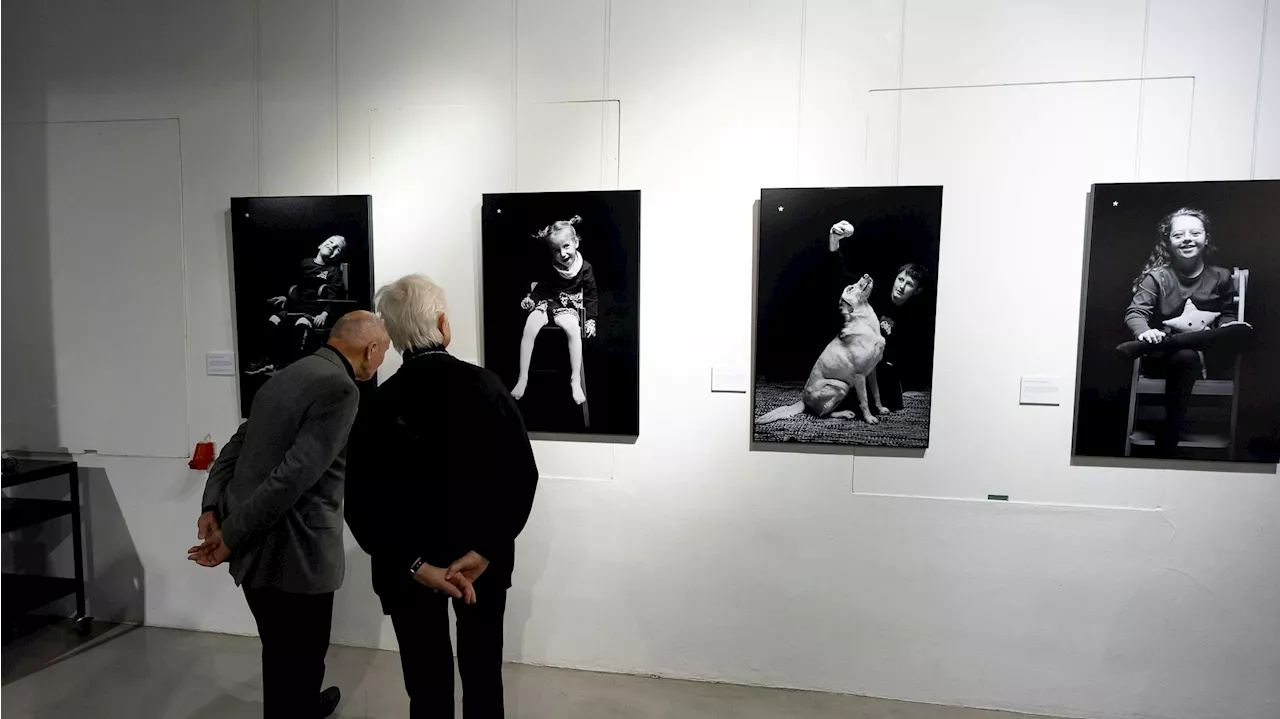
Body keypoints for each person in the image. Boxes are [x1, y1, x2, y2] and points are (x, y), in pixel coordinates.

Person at [345, 274, 539, 719]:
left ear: (391, 336)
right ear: (443, 323)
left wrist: (418, 566)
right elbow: (521, 479)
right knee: (483, 676)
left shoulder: (377, 405)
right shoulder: (487, 388)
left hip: (407, 571)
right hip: (480, 569)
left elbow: (361, 504)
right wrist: (486, 551)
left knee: (427, 685)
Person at [189, 310, 389, 719]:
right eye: (384, 352)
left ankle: (303, 705)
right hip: (296, 554)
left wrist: (212, 505)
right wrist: (230, 536)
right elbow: (291, 479)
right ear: (371, 350)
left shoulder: (284, 376)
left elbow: (233, 448)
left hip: (257, 553)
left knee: (282, 654)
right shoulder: (341, 389)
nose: (382, 360)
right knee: (299, 659)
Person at [1119, 207, 1252, 456]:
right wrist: (1144, 333)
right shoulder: (1157, 278)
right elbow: (1136, 313)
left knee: (1242, 331)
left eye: (1195, 232)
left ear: (1206, 238)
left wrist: (1226, 326)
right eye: (1179, 235)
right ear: (1168, 241)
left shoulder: (1222, 277)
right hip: (1166, 358)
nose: (1187, 238)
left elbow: (1228, 315)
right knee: (1185, 356)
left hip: (1209, 356)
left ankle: (1157, 346)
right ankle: (1169, 434)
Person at [828, 220, 933, 410]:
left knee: (892, 400)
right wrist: (834, 243)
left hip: (879, 365)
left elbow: (908, 354)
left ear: (917, 291)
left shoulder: (915, 317)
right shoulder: (876, 293)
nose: (901, 286)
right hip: (855, 356)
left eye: (909, 284)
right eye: (900, 279)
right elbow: (843, 278)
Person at [510, 215, 598, 405]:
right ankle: (522, 377)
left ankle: (575, 380)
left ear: (575, 243)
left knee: (573, 328)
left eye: (566, 247)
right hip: (548, 302)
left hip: (568, 307)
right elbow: (542, 288)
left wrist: (590, 319)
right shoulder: (551, 266)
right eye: (556, 250)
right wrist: (531, 300)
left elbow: (591, 296)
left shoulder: (585, 268)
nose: (562, 254)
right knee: (530, 325)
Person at [246, 235, 349, 377]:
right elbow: (297, 287)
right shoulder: (305, 263)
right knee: (274, 319)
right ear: (320, 245)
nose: (332, 246)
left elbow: (332, 295)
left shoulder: (333, 272)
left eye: (338, 248)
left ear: (339, 256)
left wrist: (324, 313)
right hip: (296, 308)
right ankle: (269, 360)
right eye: (330, 242)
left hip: (314, 311)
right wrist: (286, 298)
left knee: (301, 324)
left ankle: (294, 365)